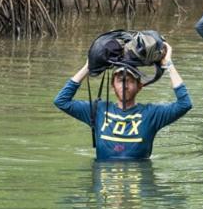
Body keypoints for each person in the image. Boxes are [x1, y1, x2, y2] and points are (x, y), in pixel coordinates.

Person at [53, 43, 191, 160]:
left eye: (130, 81)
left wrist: (168, 64)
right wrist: (88, 67)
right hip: (104, 186)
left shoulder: (152, 114)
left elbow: (185, 104)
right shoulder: (97, 110)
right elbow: (61, 101)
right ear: (113, 86)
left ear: (139, 87)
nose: (124, 85)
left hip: (141, 184)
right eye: (120, 80)